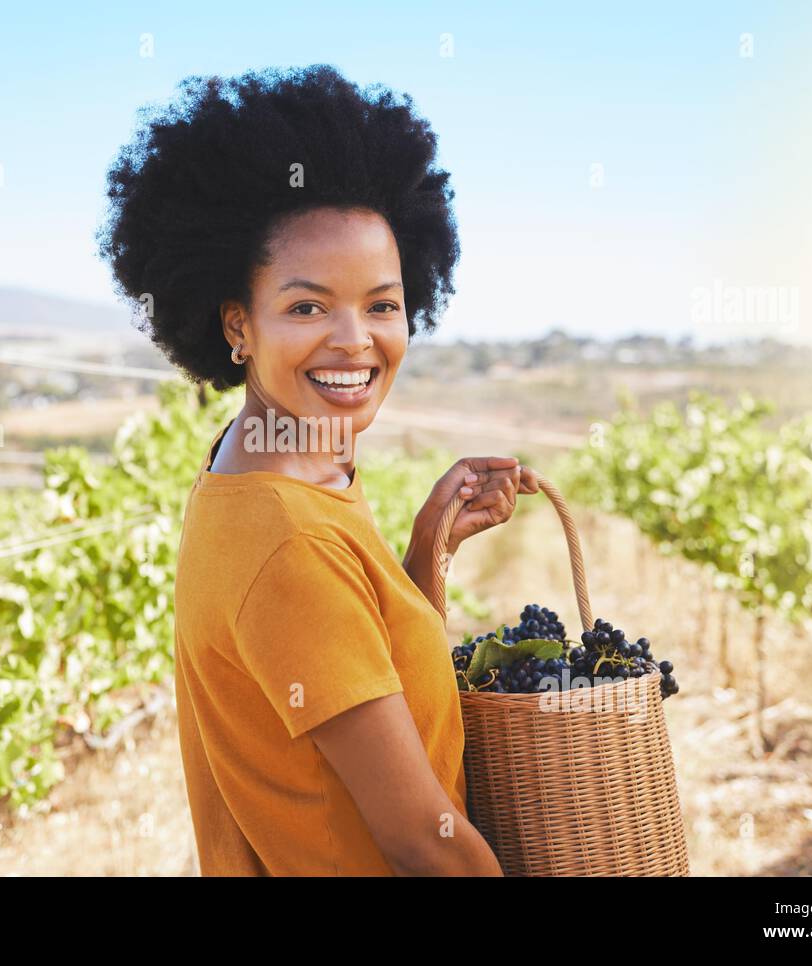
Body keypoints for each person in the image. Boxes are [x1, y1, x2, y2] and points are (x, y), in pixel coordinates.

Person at [97, 64, 536, 875]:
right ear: (237, 324)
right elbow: (419, 843)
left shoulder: (278, 466)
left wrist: (421, 557)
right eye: (307, 306)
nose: (354, 340)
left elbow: (356, 677)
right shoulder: (288, 538)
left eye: (381, 303)